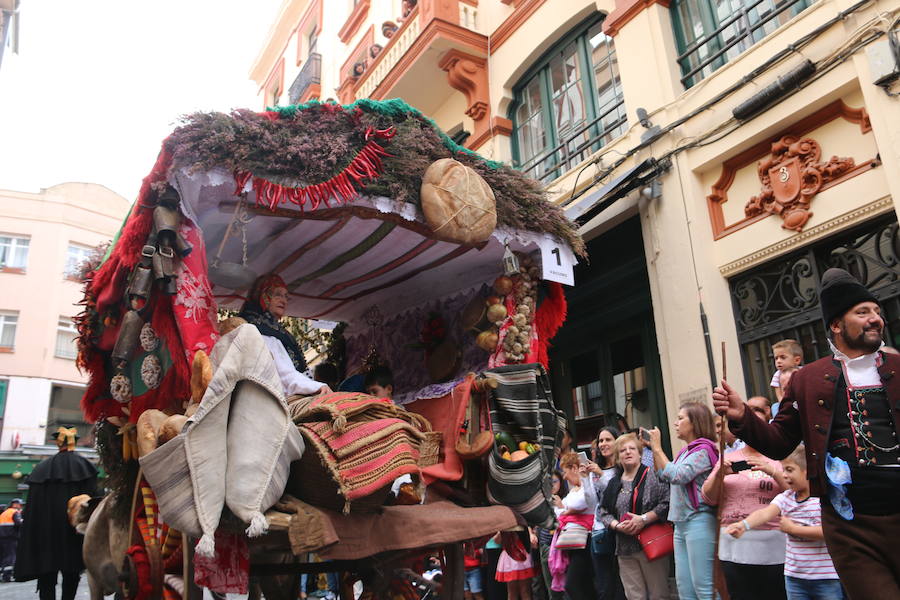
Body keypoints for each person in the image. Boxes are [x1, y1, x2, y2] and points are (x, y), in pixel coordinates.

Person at [713, 267, 900, 599]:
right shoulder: (808, 378)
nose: (875, 319)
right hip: (850, 527)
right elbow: (779, 441)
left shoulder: (898, 368)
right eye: (863, 312)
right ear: (837, 325)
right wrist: (742, 414)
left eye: (877, 312)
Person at [725, 445, 842, 600]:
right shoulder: (786, 497)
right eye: (783, 469)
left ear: (807, 472)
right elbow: (765, 513)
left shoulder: (821, 501)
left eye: (789, 470)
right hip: (794, 576)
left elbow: (827, 533)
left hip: (825, 578)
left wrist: (793, 529)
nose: (784, 475)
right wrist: (743, 525)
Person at [15, 427, 99, 600]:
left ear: (57, 443)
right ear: (73, 442)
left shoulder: (41, 469)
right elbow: (91, 505)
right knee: (72, 573)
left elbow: (32, 512)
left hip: (46, 535)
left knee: (47, 575)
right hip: (73, 534)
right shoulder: (86, 467)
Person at [646, 402, 718, 600]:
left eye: (680, 418)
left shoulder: (704, 450)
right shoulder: (685, 452)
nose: (675, 423)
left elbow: (678, 475)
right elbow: (663, 475)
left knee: (704, 587)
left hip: (699, 520)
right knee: (685, 588)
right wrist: (654, 450)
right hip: (681, 524)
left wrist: (659, 448)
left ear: (694, 422)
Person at [701, 438, 787, 599]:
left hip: (773, 544)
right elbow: (709, 498)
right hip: (733, 543)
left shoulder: (780, 457)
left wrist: (773, 472)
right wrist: (719, 475)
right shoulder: (727, 458)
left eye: (758, 413)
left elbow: (797, 493)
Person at [598, 433, 670, 600]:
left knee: (658, 595)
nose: (628, 452)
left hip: (650, 544)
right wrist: (616, 525)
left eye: (632, 449)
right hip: (624, 547)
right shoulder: (614, 482)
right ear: (618, 457)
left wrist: (643, 519)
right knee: (634, 596)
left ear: (640, 453)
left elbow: (666, 503)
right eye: (623, 450)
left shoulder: (653, 475)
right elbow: (603, 511)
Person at [238, 273, 329, 396]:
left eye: (286, 296)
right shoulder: (260, 331)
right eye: (277, 294)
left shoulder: (275, 331)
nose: (284, 300)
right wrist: (317, 387)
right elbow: (285, 375)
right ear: (263, 296)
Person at [583, 426, 626, 600]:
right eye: (600, 440)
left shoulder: (622, 467)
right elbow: (592, 502)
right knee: (604, 585)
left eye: (608, 439)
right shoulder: (596, 469)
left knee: (622, 583)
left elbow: (615, 496)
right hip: (599, 530)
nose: (603, 444)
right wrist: (585, 479)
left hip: (620, 529)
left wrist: (600, 475)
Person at [555, 452, 594, 600]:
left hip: (584, 540)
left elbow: (582, 503)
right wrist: (566, 511)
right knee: (585, 584)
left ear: (574, 468)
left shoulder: (587, 485)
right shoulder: (573, 490)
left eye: (565, 472)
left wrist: (564, 509)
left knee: (572, 584)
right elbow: (558, 513)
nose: (564, 477)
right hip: (572, 542)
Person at [533, 471, 565, 600]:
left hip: (562, 547)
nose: (552, 485)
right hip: (545, 545)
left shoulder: (567, 498)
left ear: (561, 483)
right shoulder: (541, 500)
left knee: (567, 586)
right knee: (550, 586)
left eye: (555, 482)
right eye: (548, 483)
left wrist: (561, 506)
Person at [0, 498, 22, 582]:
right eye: (20, 505)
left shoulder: (4, 513)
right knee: (10, 557)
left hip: (2, 537)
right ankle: (7, 576)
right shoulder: (14, 512)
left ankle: (2, 574)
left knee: (3, 557)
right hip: (10, 537)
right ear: (15, 504)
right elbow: (18, 523)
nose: (20, 506)